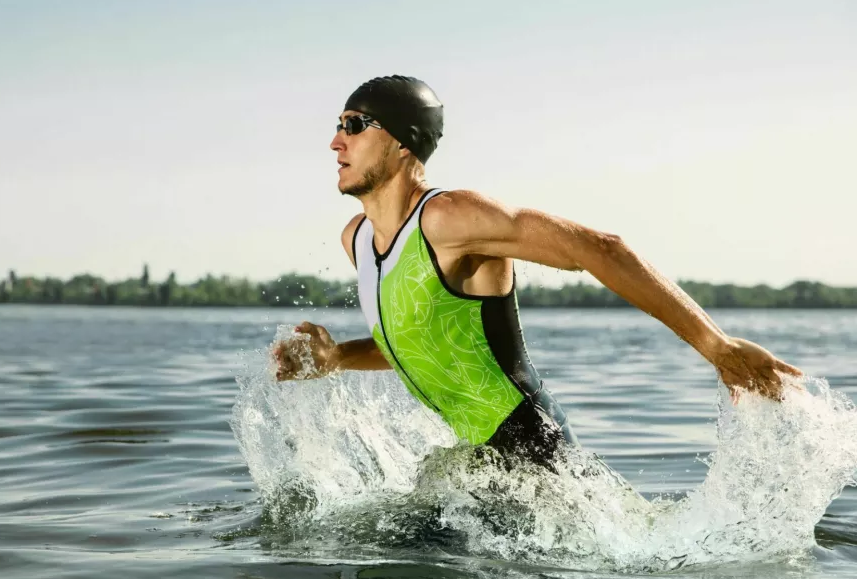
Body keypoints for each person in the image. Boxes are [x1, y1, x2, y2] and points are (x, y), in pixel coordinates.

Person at [272, 74, 803, 468]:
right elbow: (426, 342)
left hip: (532, 457)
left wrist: (717, 347)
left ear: (403, 141)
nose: (336, 142)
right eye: (337, 127)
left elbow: (600, 248)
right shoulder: (359, 240)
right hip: (480, 467)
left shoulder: (449, 217)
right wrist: (338, 357)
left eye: (354, 125)